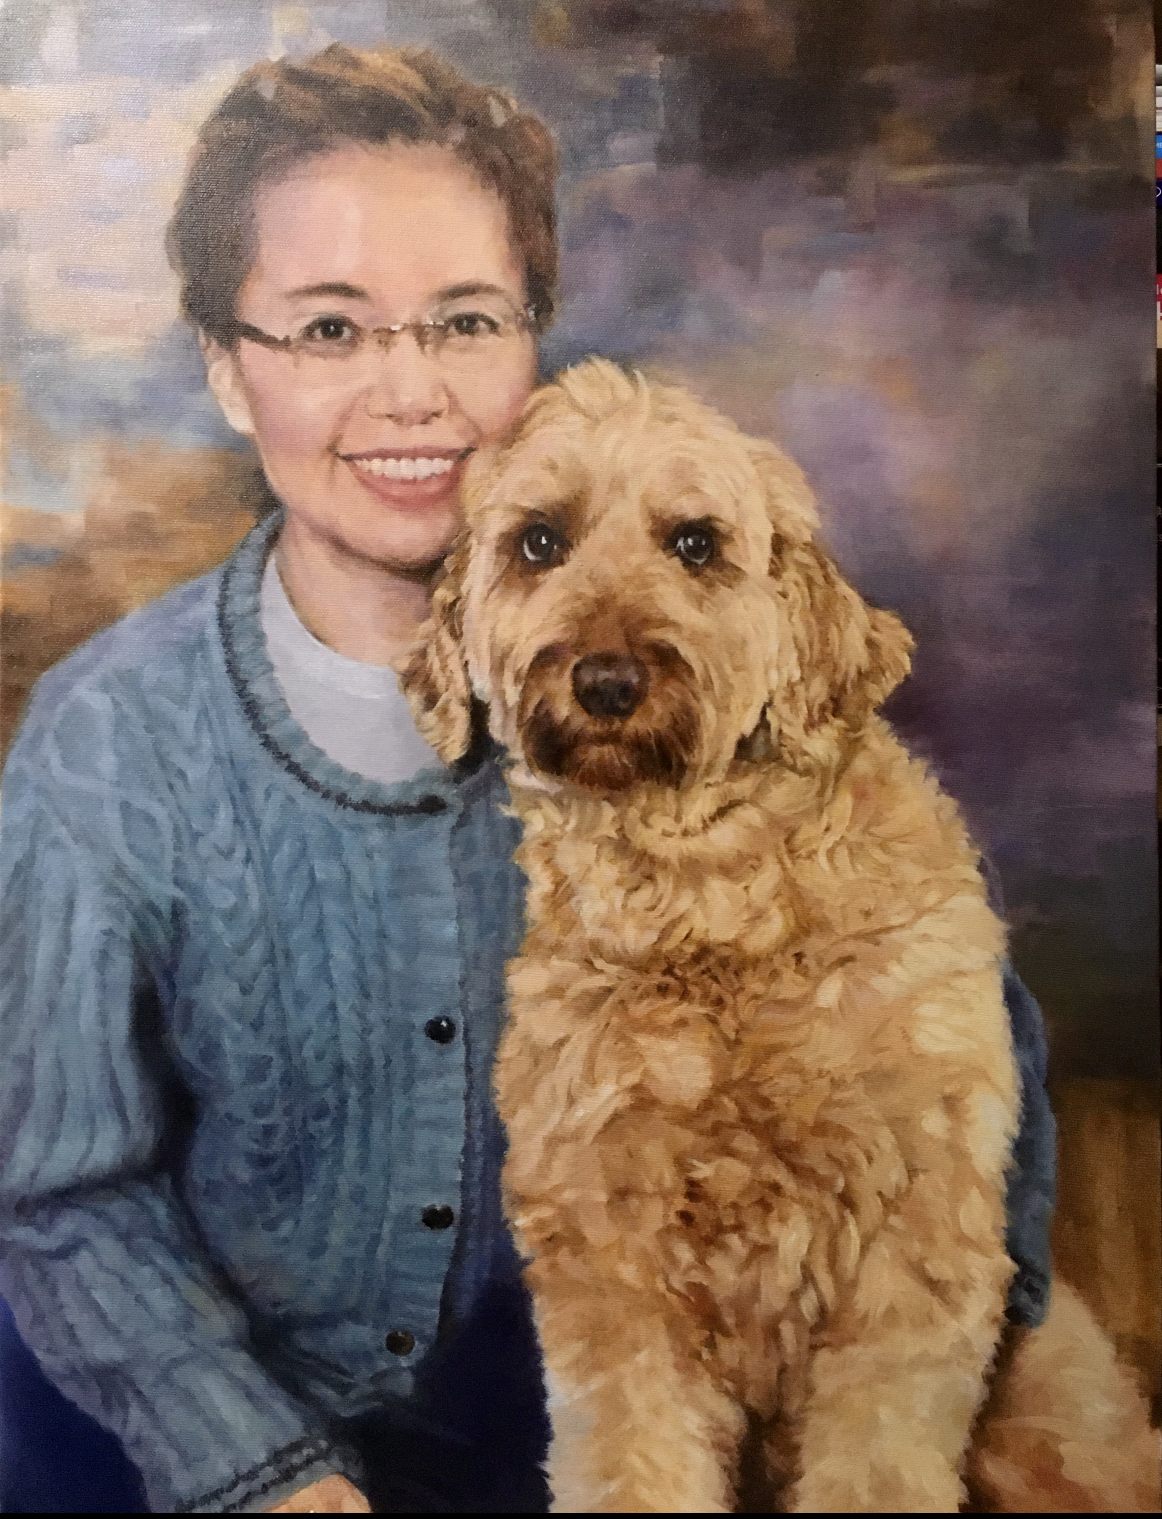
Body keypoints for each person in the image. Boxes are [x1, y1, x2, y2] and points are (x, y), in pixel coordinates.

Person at [0, 42, 1054, 1516]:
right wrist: (265, 1475)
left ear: (532, 341)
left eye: (464, 320)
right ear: (225, 374)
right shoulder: (104, 746)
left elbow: (971, 1148)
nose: (409, 390)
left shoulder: (772, 765)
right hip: (197, 1444)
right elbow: (55, 1190)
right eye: (326, 329)